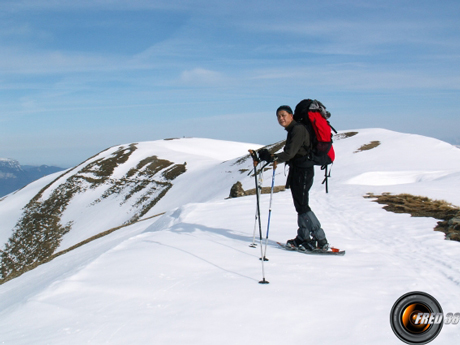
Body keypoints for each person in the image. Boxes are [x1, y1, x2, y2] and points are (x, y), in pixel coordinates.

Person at [258, 104, 329, 251]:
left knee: (303, 206)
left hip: (303, 171)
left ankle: (321, 240)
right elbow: (292, 153)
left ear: (291, 115)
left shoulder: (297, 129)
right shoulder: (293, 130)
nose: (281, 118)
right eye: (278, 116)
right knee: (300, 205)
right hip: (298, 170)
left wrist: (272, 158)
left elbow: (289, 153)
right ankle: (303, 237)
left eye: (283, 115)